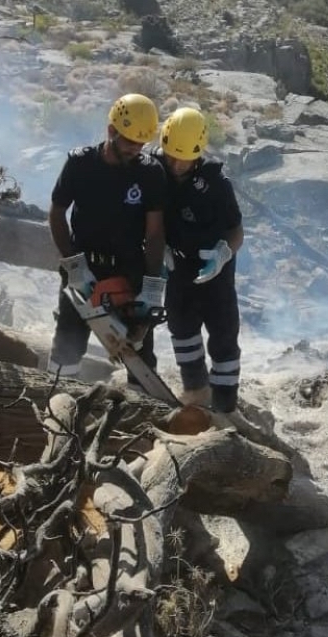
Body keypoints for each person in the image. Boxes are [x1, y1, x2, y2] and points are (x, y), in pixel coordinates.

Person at [47, 93, 167, 380]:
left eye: (141, 143)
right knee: (67, 344)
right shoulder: (80, 164)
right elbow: (56, 213)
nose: (135, 148)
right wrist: (72, 263)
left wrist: (152, 287)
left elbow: (154, 234)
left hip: (128, 270)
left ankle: (140, 399)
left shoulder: (150, 173)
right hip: (84, 266)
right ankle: (55, 395)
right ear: (111, 130)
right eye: (130, 141)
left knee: (138, 350)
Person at [153, 106, 244, 413]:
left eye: (184, 159)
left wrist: (223, 254)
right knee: (182, 331)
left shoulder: (217, 185)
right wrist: (156, 250)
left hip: (215, 272)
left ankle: (225, 407)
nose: (176, 164)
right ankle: (195, 394)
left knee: (224, 338)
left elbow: (236, 231)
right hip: (176, 267)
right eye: (171, 156)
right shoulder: (153, 170)